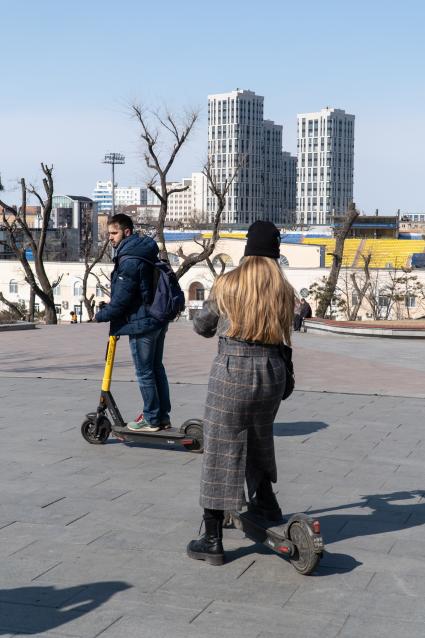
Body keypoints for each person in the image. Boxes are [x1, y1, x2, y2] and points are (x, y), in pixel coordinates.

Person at [187, 220, 295, 566]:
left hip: (233, 368)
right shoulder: (283, 288)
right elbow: (284, 334)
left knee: (221, 446)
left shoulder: (228, 284)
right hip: (272, 372)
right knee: (259, 437)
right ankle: (265, 502)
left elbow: (203, 326)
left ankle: (212, 536)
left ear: (248, 248)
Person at [95, 213, 171, 432]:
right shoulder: (146, 251)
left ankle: (151, 419)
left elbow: (122, 299)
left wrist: (101, 315)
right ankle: (162, 415)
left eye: (114, 233)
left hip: (141, 322)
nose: (110, 238)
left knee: (144, 372)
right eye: (109, 233)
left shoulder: (130, 260)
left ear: (126, 232)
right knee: (156, 368)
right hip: (157, 319)